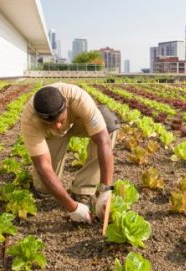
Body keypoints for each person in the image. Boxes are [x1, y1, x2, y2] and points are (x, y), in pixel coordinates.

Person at [20, 82, 119, 224]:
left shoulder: (79, 99)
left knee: (109, 125)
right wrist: (72, 207)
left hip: (78, 122)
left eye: (60, 120)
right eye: (51, 122)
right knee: (44, 188)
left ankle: (83, 189)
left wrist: (106, 189)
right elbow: (43, 166)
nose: (58, 126)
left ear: (66, 104)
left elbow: (103, 141)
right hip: (51, 135)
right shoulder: (30, 120)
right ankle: (46, 187)